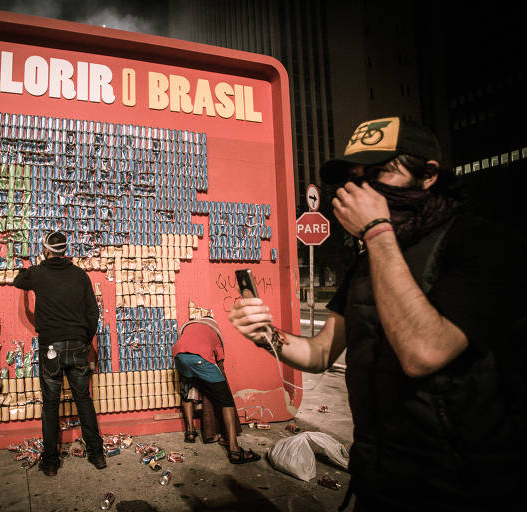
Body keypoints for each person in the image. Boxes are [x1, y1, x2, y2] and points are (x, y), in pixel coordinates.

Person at [229, 117, 523, 510]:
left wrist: (376, 231)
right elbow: (319, 355)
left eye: (381, 172)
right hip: (379, 474)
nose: (365, 188)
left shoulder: (478, 242)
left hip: (466, 484)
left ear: (429, 175)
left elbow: (424, 353)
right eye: (357, 178)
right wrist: (268, 334)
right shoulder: (368, 263)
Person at [13, 231, 106, 476]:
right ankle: (97, 455)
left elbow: (18, 280)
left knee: (51, 404)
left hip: (51, 346)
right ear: (66, 251)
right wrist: (84, 340)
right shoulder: (80, 275)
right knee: (83, 399)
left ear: (46, 250)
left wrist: (35, 264)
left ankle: (51, 462)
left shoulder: (38, 273)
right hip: (77, 345)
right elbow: (92, 313)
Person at [173, 314, 259, 464]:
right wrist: (219, 385)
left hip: (179, 356)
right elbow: (220, 361)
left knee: (187, 393)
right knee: (226, 402)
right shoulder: (215, 331)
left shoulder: (190, 325)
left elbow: (184, 342)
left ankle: (190, 432)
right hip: (200, 359)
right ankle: (234, 450)